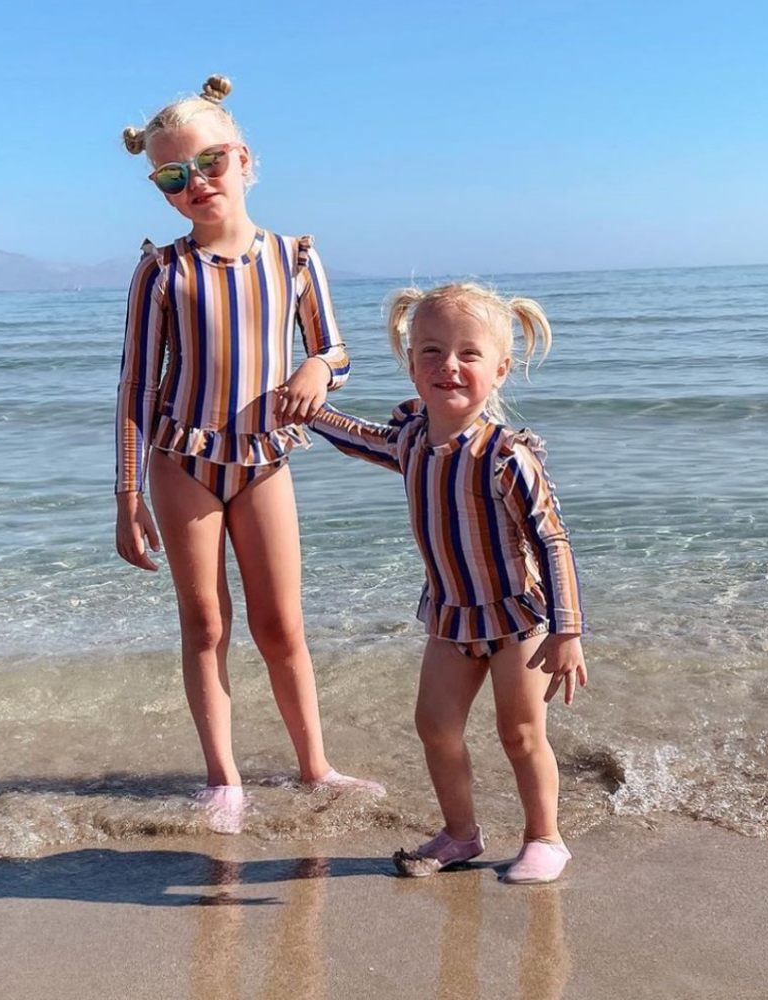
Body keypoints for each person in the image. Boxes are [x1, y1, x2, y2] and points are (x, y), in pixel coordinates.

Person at [115, 75, 384, 834]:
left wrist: (315, 368)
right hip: (181, 463)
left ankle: (315, 766)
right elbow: (137, 385)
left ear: (244, 159)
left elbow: (332, 346)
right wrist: (126, 496)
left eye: (209, 163)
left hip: (265, 461)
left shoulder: (294, 256)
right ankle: (223, 778)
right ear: (161, 189)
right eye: (173, 176)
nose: (195, 183)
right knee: (205, 624)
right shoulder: (162, 271)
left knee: (282, 627)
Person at [306, 282, 587, 882]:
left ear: (501, 370)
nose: (448, 366)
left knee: (519, 732)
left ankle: (546, 837)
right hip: (452, 615)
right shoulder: (410, 439)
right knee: (435, 727)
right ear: (411, 365)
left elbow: (552, 541)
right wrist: (304, 407)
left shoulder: (507, 456)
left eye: (468, 354)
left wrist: (568, 632)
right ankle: (461, 834)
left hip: (518, 617)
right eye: (430, 352)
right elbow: (358, 439)